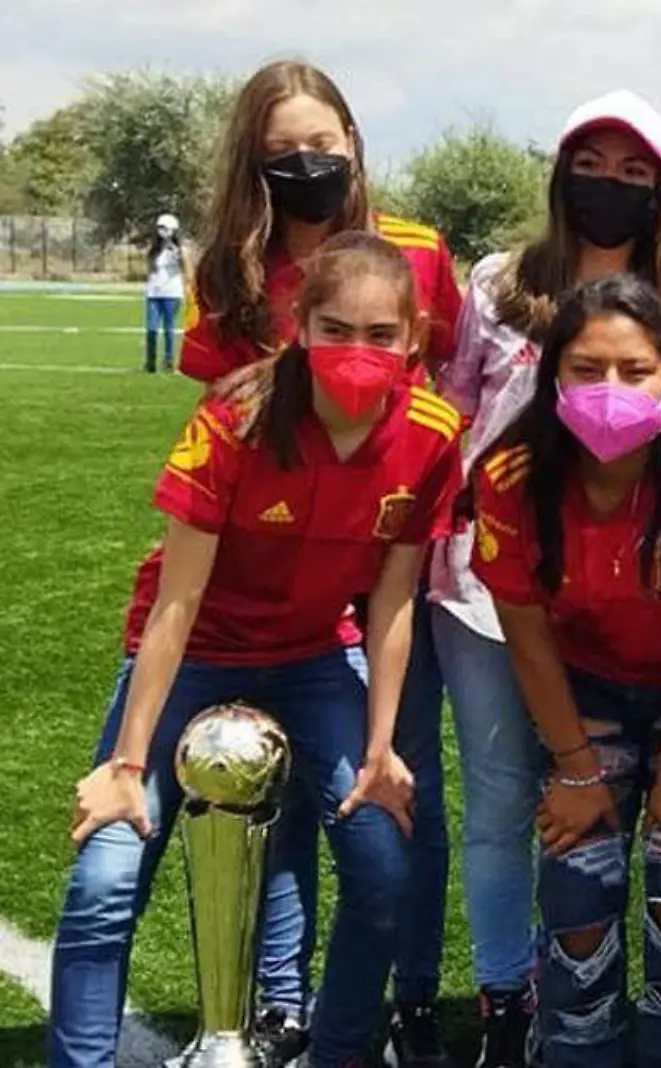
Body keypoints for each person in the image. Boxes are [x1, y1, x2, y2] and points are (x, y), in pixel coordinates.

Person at [48, 232, 462, 1068]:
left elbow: (390, 602)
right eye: (335, 329)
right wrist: (129, 763)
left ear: (414, 335)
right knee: (105, 882)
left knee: (384, 868)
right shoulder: (235, 416)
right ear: (298, 327)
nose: (357, 351)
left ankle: (338, 1051)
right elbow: (178, 599)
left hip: (314, 658)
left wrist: (381, 749)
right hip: (197, 652)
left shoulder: (433, 432)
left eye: (380, 334)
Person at [179, 59, 464, 1063]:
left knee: (394, 783)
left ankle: (409, 999)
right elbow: (224, 428)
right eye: (283, 153)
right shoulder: (230, 276)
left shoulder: (422, 252)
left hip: (387, 564)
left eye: (324, 146)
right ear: (254, 165)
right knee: (284, 790)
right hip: (272, 580)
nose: (308, 165)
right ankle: (281, 1000)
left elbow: (441, 380)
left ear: (355, 144)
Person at [429, 87, 661, 1067]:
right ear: (558, 173)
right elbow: (452, 414)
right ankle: (512, 995)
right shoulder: (498, 283)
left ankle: (660, 1008)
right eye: (593, 162)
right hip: (484, 592)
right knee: (505, 798)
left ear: (660, 191)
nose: (611, 185)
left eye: (636, 172)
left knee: (634, 808)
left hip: (618, 600)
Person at [467, 273, 661, 1067]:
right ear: (552, 379)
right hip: (585, 687)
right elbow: (528, 639)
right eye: (586, 369)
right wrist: (575, 772)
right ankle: (577, 1050)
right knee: (580, 881)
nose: (610, 389)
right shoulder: (511, 479)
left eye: (635, 370)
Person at [143, 213, 186, 373]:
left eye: (163, 228)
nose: (160, 231)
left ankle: (168, 362)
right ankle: (150, 363)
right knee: (151, 329)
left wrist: (175, 251)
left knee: (168, 329)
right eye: (158, 228)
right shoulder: (154, 250)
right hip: (153, 294)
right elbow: (150, 270)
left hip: (171, 294)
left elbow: (184, 266)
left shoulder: (177, 250)